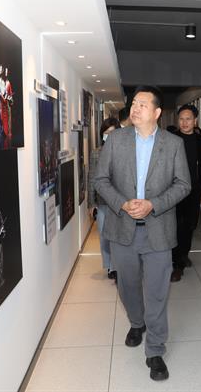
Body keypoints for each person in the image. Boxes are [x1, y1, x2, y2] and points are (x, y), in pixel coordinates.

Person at [94, 85, 190, 381]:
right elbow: (101, 179)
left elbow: (183, 184)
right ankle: (137, 323)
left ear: (157, 112)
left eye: (142, 105)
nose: (135, 109)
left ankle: (155, 349)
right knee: (128, 285)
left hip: (158, 230)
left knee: (157, 291)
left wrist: (153, 204)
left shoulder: (173, 144)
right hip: (122, 228)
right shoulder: (116, 140)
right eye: (134, 103)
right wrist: (122, 203)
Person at [172, 104, 201, 281]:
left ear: (195, 121)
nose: (184, 122)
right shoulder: (172, 138)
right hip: (173, 189)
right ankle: (176, 263)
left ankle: (183, 254)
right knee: (176, 226)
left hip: (193, 189)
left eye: (188, 119)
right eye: (181, 119)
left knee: (190, 225)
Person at [88, 117, 121, 280]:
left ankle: (118, 265)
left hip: (121, 201)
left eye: (113, 133)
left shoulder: (125, 151)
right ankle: (109, 266)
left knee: (119, 236)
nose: (109, 136)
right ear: (102, 134)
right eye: (106, 133)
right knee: (104, 235)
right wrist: (91, 203)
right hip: (103, 201)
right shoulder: (96, 153)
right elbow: (92, 178)